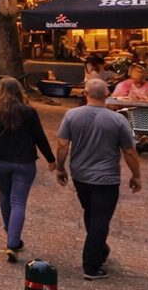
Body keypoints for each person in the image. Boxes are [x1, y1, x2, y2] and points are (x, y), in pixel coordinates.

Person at [55, 78, 142, 279]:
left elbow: (62, 144)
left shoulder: (72, 115)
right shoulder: (118, 119)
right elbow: (129, 151)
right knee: (101, 219)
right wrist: (136, 175)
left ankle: (100, 250)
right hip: (106, 177)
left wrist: (60, 168)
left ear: (85, 93)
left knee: (91, 212)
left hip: (81, 175)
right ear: (107, 94)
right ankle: (91, 265)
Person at [0, 77, 57, 263]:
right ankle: (12, 242)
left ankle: (11, 234)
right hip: (24, 161)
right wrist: (51, 160)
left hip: (0, 160)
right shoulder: (29, 112)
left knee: (4, 196)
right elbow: (40, 137)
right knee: (19, 202)